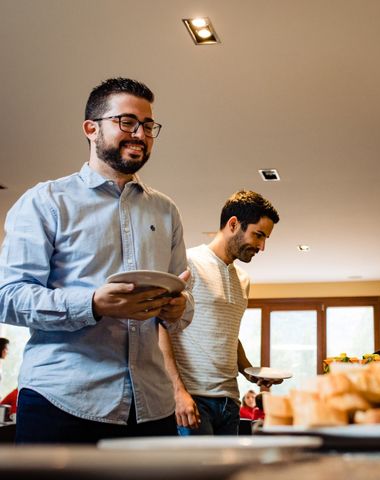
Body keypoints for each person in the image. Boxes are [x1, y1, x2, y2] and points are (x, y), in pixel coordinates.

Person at [0, 77, 194, 444]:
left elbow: (182, 306)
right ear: (91, 129)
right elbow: (7, 296)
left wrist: (178, 307)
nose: (140, 133)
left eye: (148, 125)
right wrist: (92, 303)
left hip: (153, 407)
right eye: (127, 122)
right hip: (61, 402)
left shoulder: (166, 210)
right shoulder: (45, 202)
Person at [159, 190, 280, 435]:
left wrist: (251, 372)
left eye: (265, 238)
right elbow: (158, 326)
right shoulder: (187, 262)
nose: (262, 246)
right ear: (233, 224)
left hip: (230, 401)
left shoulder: (243, 280)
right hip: (193, 398)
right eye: (258, 235)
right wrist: (177, 391)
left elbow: (227, 334)